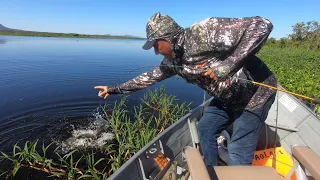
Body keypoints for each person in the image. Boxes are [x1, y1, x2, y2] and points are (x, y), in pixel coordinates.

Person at [94, 12, 277, 166]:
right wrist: (113, 89)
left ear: (166, 37)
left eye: (155, 45)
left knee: (238, 149)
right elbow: (148, 78)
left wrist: (228, 65)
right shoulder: (173, 62)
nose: (156, 52)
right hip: (227, 99)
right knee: (205, 129)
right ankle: (210, 172)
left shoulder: (204, 32)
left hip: (255, 96)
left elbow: (261, 25)